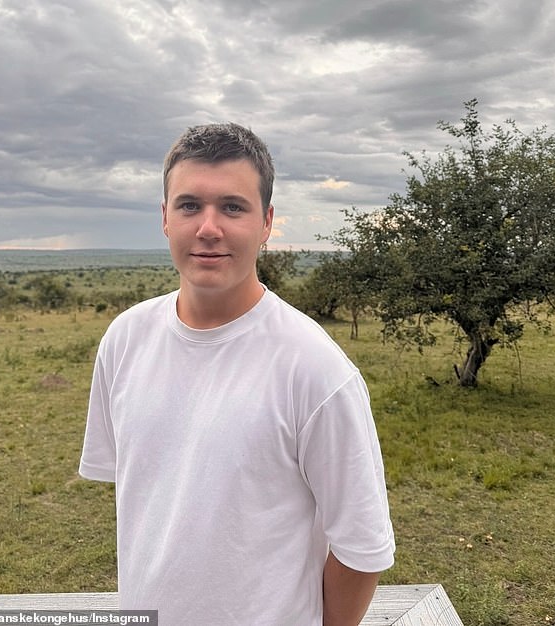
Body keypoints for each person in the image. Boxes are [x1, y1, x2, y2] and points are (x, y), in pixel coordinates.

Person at [79, 123, 395, 625]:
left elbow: (362, 548)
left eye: (232, 206)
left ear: (267, 222)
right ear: (164, 217)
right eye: (189, 205)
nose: (208, 227)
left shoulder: (315, 368)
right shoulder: (124, 339)